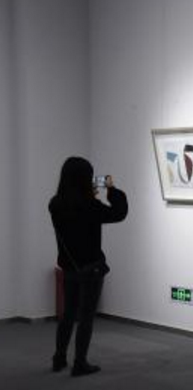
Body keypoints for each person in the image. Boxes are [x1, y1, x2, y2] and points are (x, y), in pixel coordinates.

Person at [49, 157, 128, 377]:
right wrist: (111, 190)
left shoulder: (55, 204)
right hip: (91, 268)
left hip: (69, 267)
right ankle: (80, 363)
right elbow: (119, 213)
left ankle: (59, 358)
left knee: (68, 314)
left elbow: (74, 218)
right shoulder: (90, 206)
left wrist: (88, 196)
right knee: (86, 317)